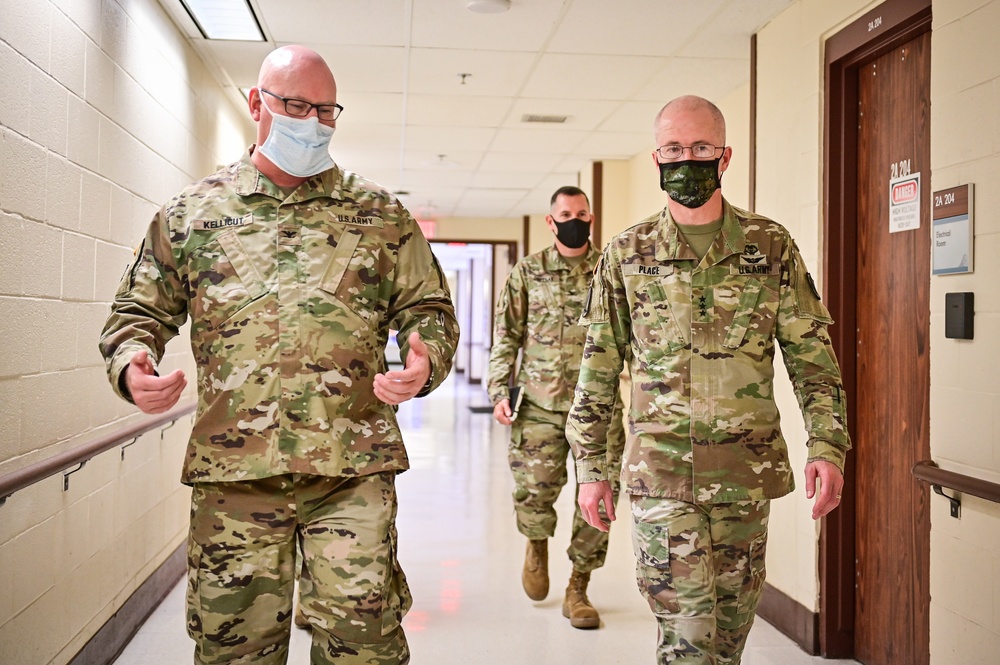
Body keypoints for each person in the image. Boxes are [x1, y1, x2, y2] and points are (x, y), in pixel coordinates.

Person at [99, 45, 459, 665]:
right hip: (235, 477)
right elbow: (138, 312)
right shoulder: (192, 214)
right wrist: (132, 362)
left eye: (326, 109)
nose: (312, 121)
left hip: (352, 470)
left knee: (363, 644)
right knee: (234, 649)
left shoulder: (380, 215)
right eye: (296, 104)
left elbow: (428, 308)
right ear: (257, 104)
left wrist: (425, 359)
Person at [566, 96, 851, 664]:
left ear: (724, 157)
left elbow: (812, 357)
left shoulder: (769, 247)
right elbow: (598, 367)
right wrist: (591, 471)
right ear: (657, 159)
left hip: (745, 477)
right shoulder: (627, 253)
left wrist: (828, 444)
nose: (686, 160)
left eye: (700, 149)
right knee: (687, 639)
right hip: (661, 475)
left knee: (727, 638)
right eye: (674, 149)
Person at [486, 186, 625, 630]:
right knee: (536, 491)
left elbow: (633, 335)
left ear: (592, 217)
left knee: (599, 501)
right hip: (540, 406)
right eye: (565, 213)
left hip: (597, 411)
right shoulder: (528, 272)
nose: (574, 219)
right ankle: (536, 546)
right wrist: (498, 389)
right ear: (551, 221)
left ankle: (578, 588)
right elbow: (506, 334)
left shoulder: (610, 271)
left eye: (581, 213)